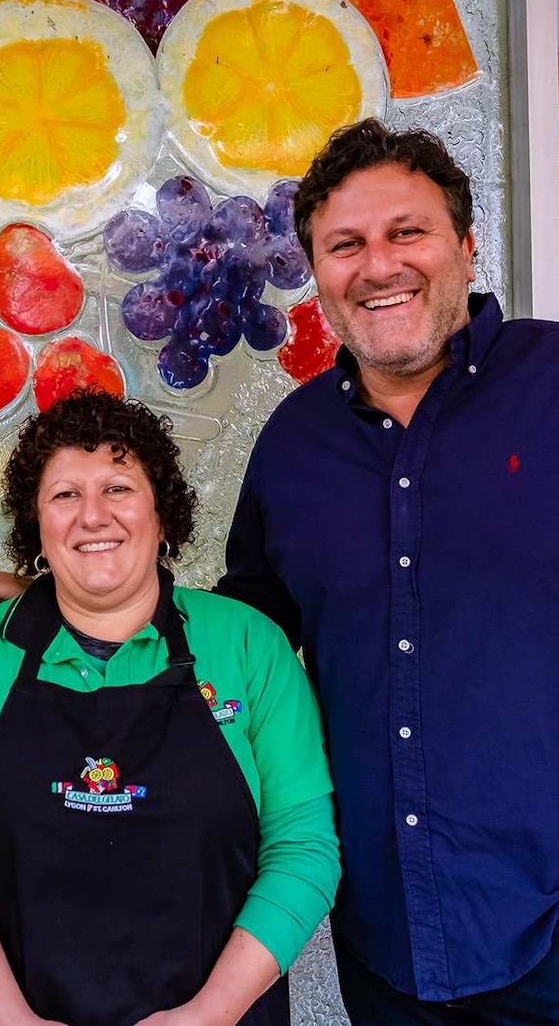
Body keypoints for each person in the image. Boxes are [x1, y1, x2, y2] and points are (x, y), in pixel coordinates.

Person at [220, 118, 559, 1023]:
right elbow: (236, 642)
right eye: (345, 245)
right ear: (318, 276)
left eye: (406, 232)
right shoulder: (294, 447)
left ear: (465, 245)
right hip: (390, 939)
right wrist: (54, 604)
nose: (378, 266)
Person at [0, 389, 340, 1026]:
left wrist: (209, 1014)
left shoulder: (249, 645)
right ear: (36, 523)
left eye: (118, 487)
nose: (92, 516)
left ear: (162, 515)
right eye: (64, 495)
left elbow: (304, 848)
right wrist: (10, 1020)